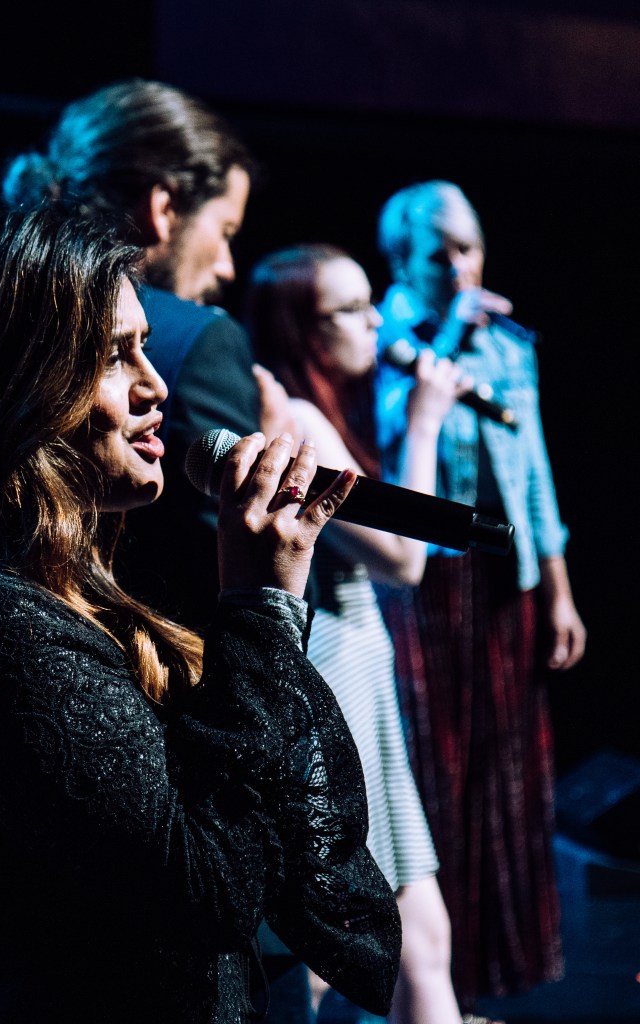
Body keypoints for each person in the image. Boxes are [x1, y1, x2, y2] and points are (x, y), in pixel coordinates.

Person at [0, 206, 402, 1022]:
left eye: (146, 348)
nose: (156, 388)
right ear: (18, 383)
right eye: (117, 356)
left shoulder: (5, 583)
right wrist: (262, 601)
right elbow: (212, 890)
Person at [0, 78, 269, 630]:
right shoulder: (201, 340)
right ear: (163, 207)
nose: (227, 266)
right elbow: (229, 581)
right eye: (225, 231)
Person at [373, 180, 586, 1011]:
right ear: (404, 261)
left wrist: (558, 591)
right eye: (441, 253)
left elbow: (535, 474)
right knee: (438, 772)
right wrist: (454, 336)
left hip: (505, 574)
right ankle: (433, 986)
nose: (462, 266)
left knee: (507, 768)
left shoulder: (508, 345)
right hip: (425, 582)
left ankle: (496, 976)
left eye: (471, 247)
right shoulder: (381, 333)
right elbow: (393, 439)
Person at [246, 245, 464, 1024]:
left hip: (355, 675)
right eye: (350, 308)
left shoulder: (321, 412)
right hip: (335, 676)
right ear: (303, 331)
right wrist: (425, 422)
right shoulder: (300, 421)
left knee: (413, 937)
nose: (376, 320)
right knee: (344, 945)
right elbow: (404, 558)